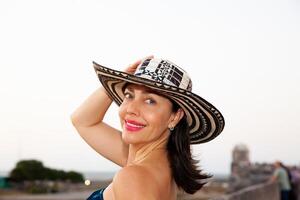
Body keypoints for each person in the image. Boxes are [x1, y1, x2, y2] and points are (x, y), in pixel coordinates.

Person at [71, 57, 225, 200]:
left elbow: (83, 121)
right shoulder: (153, 164)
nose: (131, 109)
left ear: (175, 116)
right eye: (129, 95)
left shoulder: (134, 176)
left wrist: (115, 81)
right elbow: (83, 121)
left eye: (150, 101)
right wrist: (114, 81)